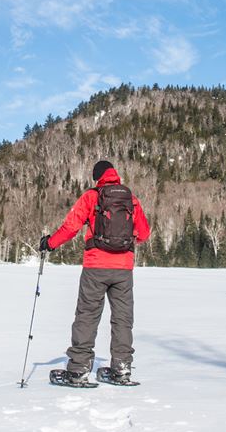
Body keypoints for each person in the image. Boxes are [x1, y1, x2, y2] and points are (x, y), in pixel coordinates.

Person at [40, 160, 150, 385]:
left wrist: (50, 243)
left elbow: (71, 227)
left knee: (87, 316)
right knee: (122, 319)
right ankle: (121, 369)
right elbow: (145, 233)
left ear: (97, 176)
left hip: (95, 266)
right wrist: (125, 244)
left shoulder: (92, 196)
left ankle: (78, 370)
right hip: (123, 270)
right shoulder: (131, 199)